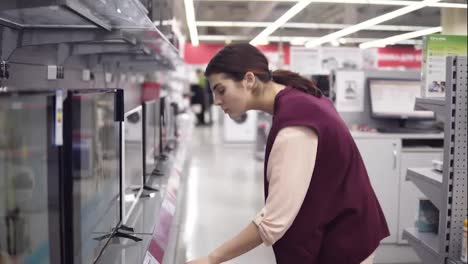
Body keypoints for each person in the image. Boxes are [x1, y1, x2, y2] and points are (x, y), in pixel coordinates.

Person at [186, 43, 389, 264]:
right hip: (347, 227)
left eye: (221, 89)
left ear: (249, 80)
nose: (216, 101)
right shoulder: (296, 96)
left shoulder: (295, 127)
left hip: (345, 244)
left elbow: (273, 221)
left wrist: (212, 258)